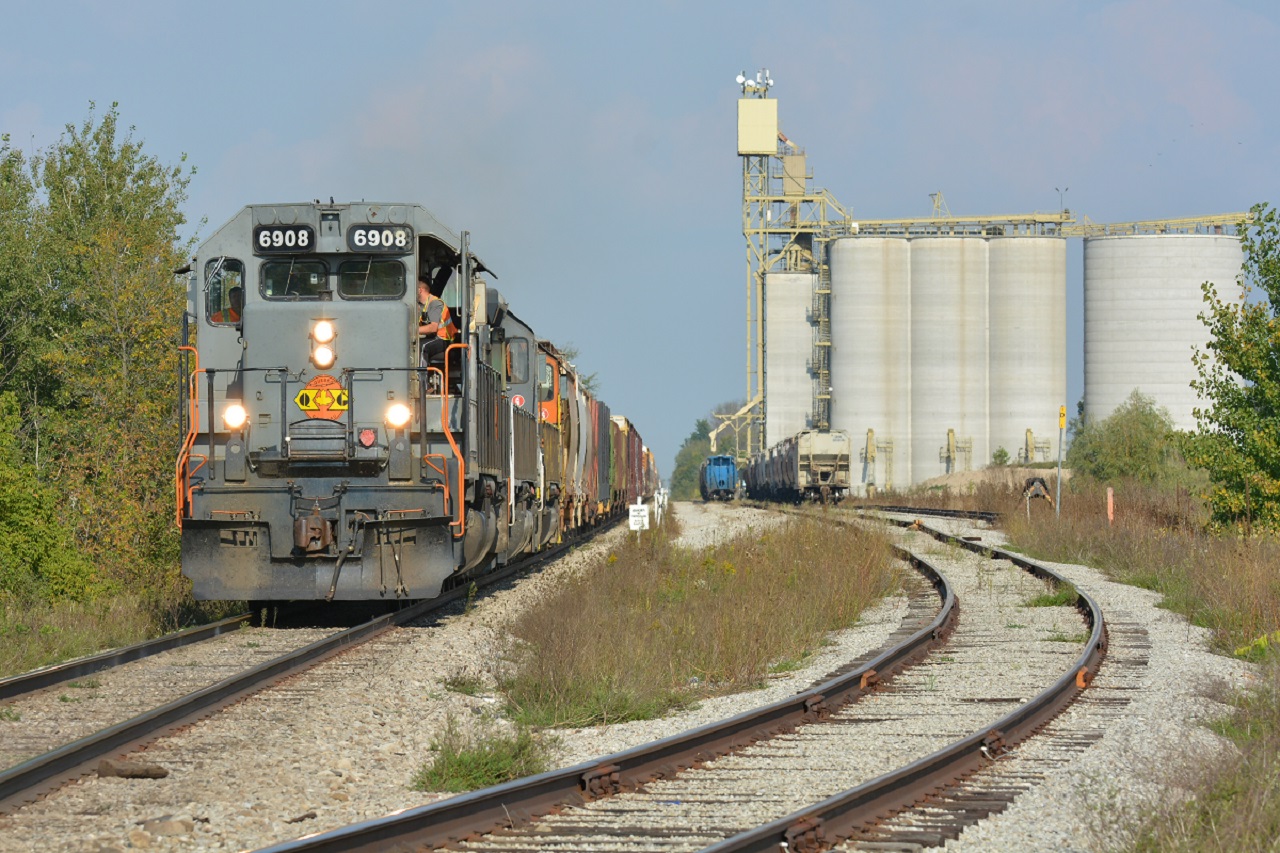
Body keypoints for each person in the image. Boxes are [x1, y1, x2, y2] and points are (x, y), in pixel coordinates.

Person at [417, 274, 458, 367]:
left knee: (422, 347)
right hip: (434, 338)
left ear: (420, 290)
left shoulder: (435, 303)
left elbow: (433, 327)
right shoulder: (422, 306)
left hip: (443, 339)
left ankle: (420, 378)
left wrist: (412, 330)